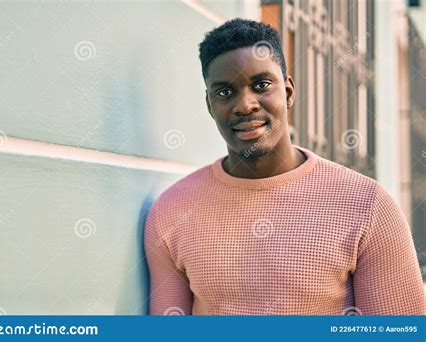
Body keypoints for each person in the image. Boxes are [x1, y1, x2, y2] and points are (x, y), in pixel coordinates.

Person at [144, 18, 425, 315]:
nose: (246, 104)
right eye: (225, 92)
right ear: (209, 105)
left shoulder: (368, 205)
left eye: (261, 84)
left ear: (288, 93)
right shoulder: (171, 211)